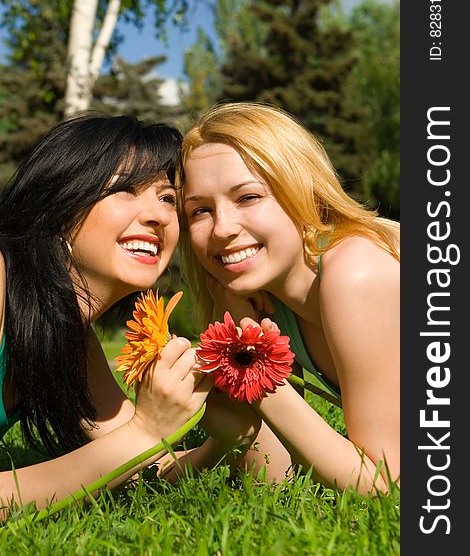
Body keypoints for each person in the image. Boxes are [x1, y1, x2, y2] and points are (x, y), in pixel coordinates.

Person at [0, 113, 257, 517]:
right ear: (58, 203)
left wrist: (225, 440)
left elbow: (139, 467)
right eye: (124, 189)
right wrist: (146, 430)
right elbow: (134, 443)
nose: (158, 216)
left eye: (167, 198)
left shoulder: (67, 335)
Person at [178, 101, 400, 494]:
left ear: (305, 193)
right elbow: (273, 477)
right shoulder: (271, 301)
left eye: (248, 197)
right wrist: (243, 341)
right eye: (200, 211)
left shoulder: (356, 272)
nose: (222, 229)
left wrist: (254, 368)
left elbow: (387, 485)